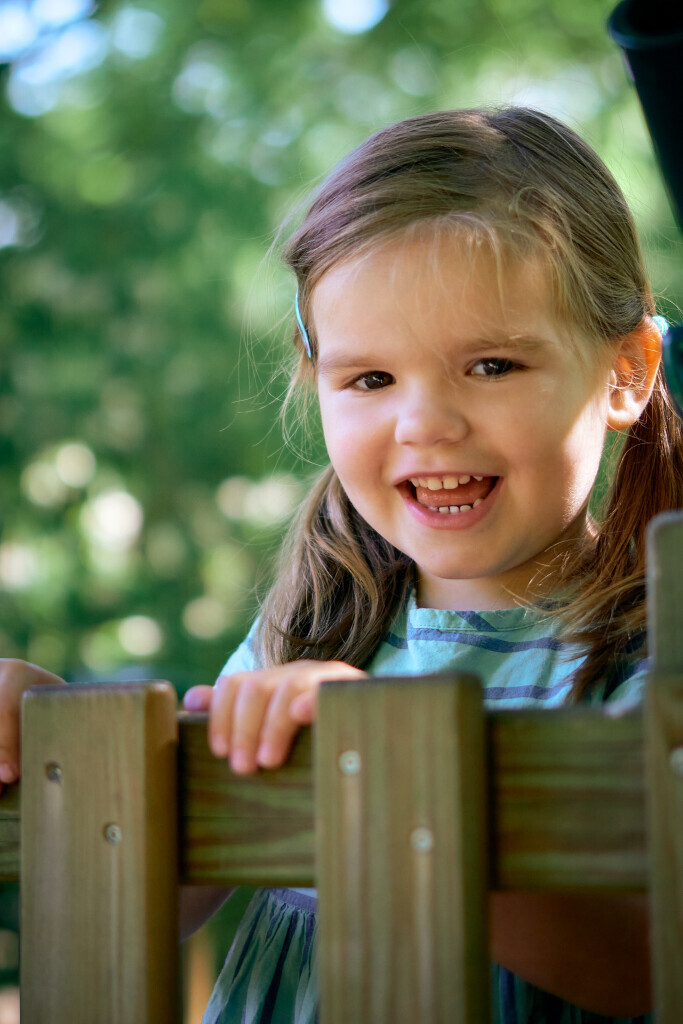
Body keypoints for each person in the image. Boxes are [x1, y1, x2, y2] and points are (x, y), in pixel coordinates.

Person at [3, 106, 682, 1022]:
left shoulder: (648, 656)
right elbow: (158, 895)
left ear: (626, 373)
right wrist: (62, 749)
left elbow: (645, 968)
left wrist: (385, 777)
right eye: (370, 379)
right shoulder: (308, 631)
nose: (425, 424)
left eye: (490, 365)